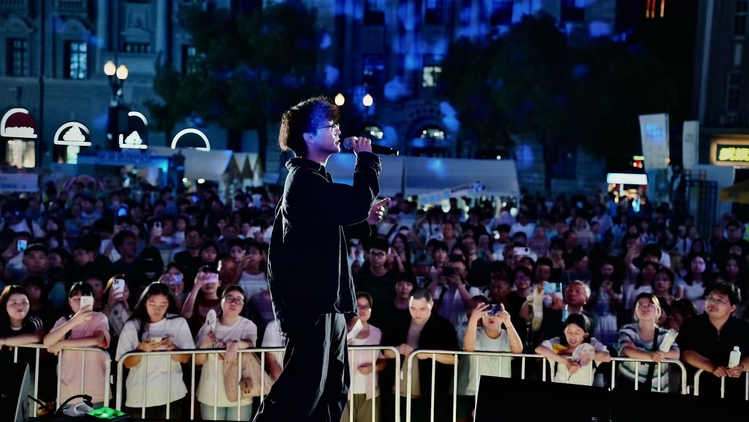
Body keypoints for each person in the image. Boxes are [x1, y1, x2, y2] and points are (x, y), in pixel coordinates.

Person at [253, 96, 388, 421]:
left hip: (328, 303)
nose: (339, 131)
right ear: (308, 136)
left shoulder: (316, 180)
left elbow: (332, 223)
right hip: (311, 305)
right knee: (301, 390)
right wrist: (366, 159)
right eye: (331, 126)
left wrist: (365, 219)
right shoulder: (303, 179)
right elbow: (355, 202)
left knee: (332, 389)